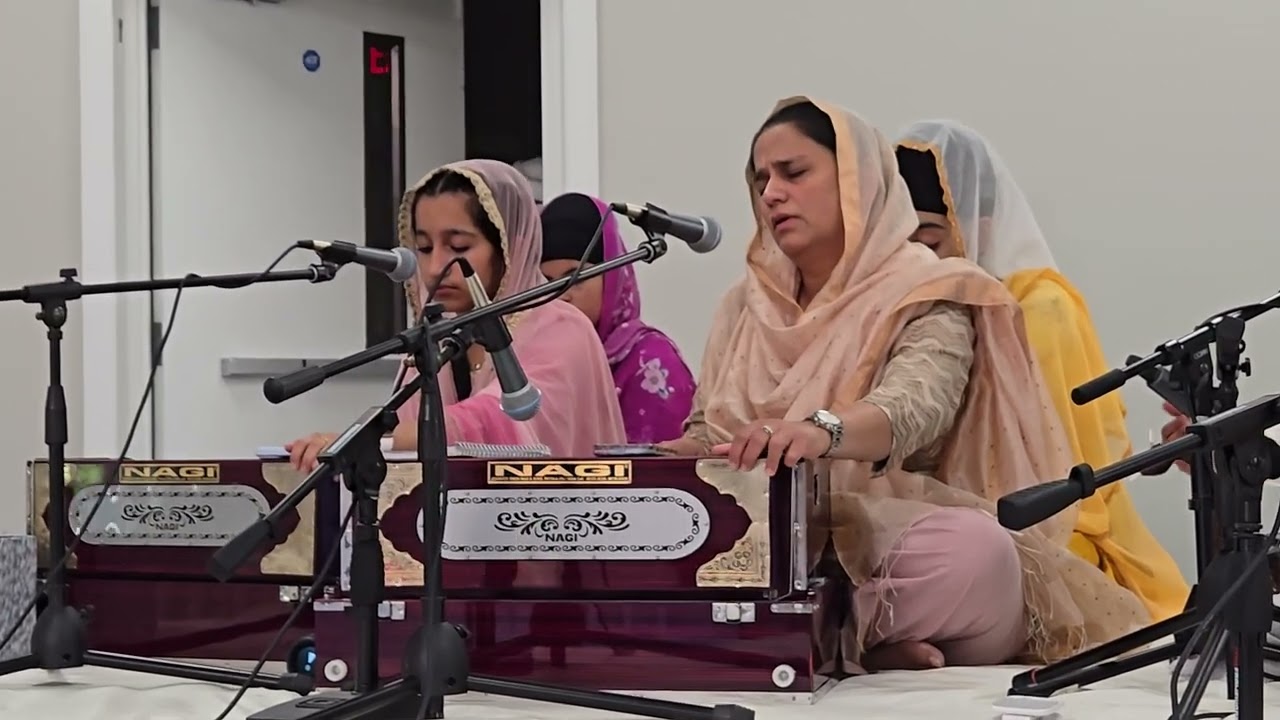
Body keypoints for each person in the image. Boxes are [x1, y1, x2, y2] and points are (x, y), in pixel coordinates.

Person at [659, 96, 1148, 673]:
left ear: (855, 181)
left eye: (793, 173)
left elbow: (917, 404)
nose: (770, 194)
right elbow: (706, 431)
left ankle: (823, 635)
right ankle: (847, 642)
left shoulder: (928, 287)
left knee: (977, 554)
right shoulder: (743, 306)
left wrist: (821, 431)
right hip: (757, 540)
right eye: (760, 179)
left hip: (886, 536)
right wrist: (673, 456)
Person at [894, 120, 1189, 623]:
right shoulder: (920, 313)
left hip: (1049, 527)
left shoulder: (1040, 307)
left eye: (933, 241)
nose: (921, 261)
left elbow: (1063, 472)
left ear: (979, 225)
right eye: (907, 246)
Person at [285, 160, 627, 471]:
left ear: (510, 245)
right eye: (424, 248)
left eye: (459, 247)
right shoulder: (437, 337)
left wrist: (362, 440)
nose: (435, 268)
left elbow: (503, 422)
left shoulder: (563, 329)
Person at [540, 192, 697, 444]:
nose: (560, 296)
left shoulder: (650, 362)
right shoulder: (535, 361)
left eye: (576, 278)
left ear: (612, 279)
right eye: (546, 283)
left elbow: (661, 477)